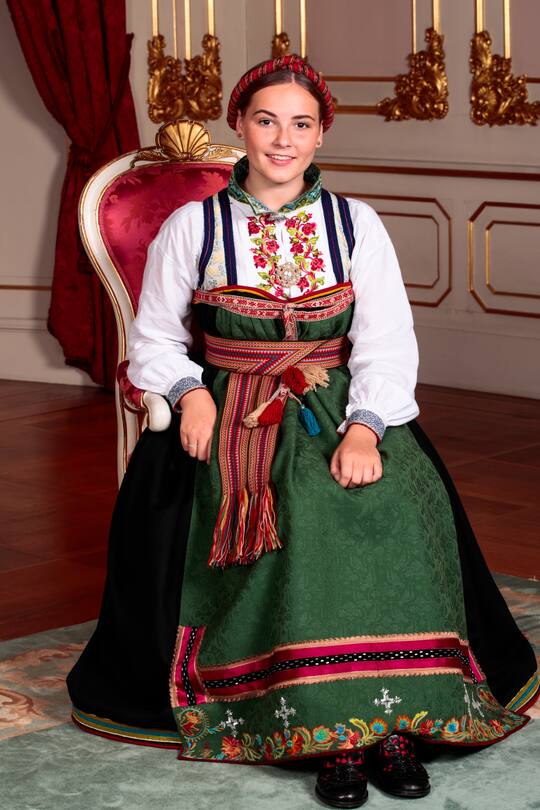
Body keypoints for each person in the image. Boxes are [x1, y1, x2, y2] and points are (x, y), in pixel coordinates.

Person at [67, 55, 538, 808]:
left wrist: (364, 429)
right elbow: (154, 339)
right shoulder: (195, 224)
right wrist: (190, 396)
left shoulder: (357, 222)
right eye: (265, 120)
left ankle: (387, 725)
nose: (282, 140)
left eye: (300, 124)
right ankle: (326, 734)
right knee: (297, 517)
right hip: (226, 407)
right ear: (239, 126)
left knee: (387, 507)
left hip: (336, 400)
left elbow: (387, 341)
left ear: (321, 136)